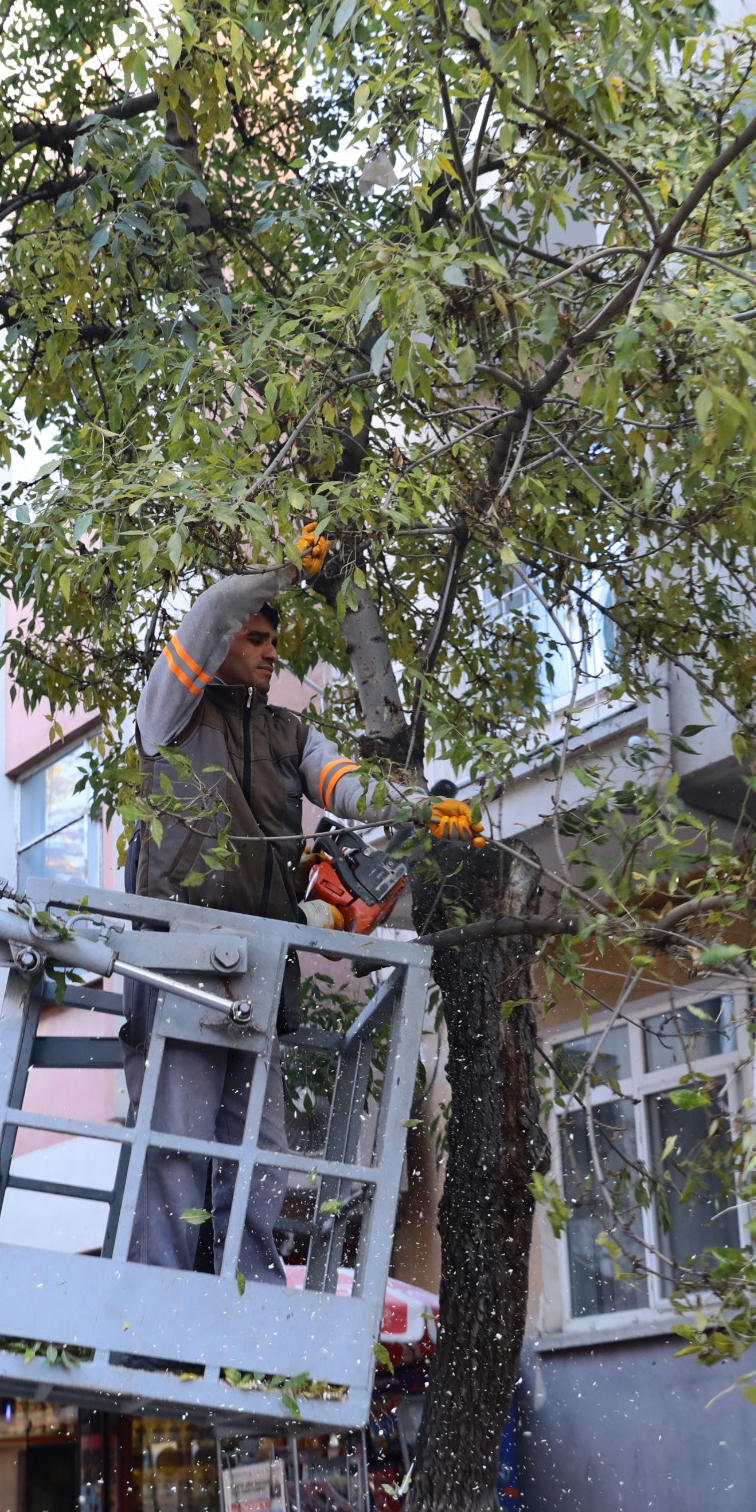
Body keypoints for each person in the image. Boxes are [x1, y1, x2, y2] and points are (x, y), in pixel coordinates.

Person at [122, 535, 479, 1278]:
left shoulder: (290, 733)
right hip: (181, 959)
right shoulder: (170, 712)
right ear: (219, 646)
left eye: (274, 639)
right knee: (178, 1146)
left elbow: (352, 787)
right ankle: (153, 1307)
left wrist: (424, 811)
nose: (269, 650)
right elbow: (215, 607)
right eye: (255, 638)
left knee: (263, 1150)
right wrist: (288, 569)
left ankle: (247, 1303)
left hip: (257, 970)